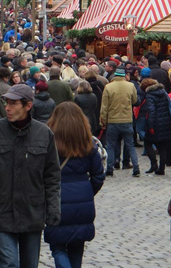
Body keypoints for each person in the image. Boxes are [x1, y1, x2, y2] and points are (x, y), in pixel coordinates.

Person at [0, 83, 61, 268]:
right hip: (2, 211)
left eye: (13, 103)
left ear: (28, 106)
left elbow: (52, 176)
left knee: (30, 264)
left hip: (32, 211)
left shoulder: (44, 134)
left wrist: (53, 208)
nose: (7, 107)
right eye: (7, 103)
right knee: (9, 263)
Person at [44, 102, 106, 268]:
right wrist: (87, 191)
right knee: (77, 247)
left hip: (56, 198)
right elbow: (99, 175)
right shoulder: (89, 144)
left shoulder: (48, 142)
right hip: (82, 201)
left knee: (57, 247)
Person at [99, 66, 140, 177]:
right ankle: (136, 168)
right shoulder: (131, 86)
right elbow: (135, 100)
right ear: (124, 75)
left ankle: (110, 168)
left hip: (112, 120)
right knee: (130, 145)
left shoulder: (108, 87)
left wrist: (103, 121)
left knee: (111, 145)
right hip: (127, 120)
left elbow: (104, 107)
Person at [142, 79, 171, 175]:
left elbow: (152, 110)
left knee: (147, 143)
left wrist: (150, 125)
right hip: (166, 122)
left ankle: (154, 164)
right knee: (162, 146)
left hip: (156, 122)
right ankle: (162, 168)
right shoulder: (164, 92)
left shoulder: (150, 95)